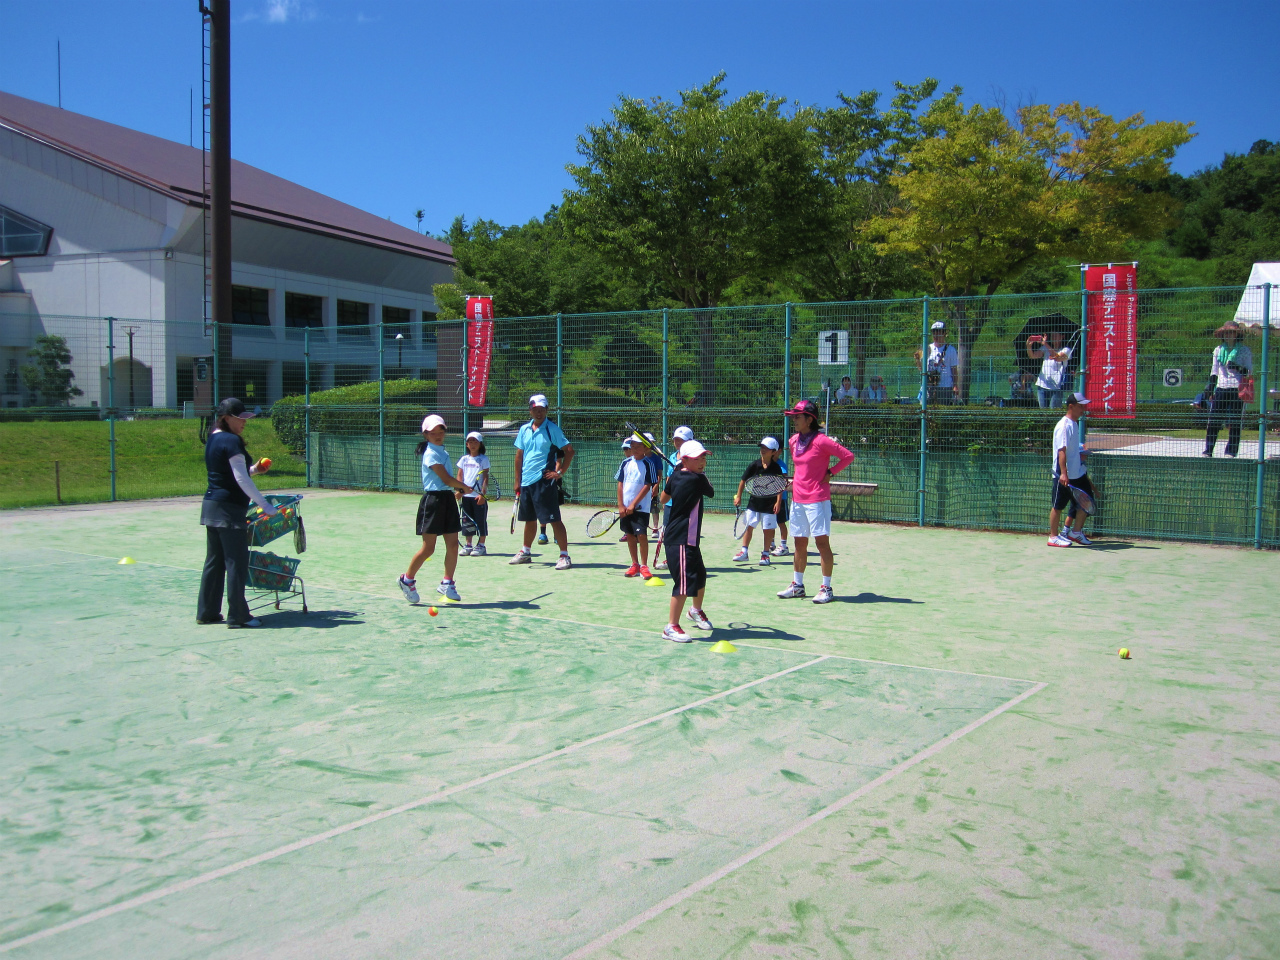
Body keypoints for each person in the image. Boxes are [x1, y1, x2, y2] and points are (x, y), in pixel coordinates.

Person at [197, 397, 278, 629]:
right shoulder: (231, 440)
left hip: (211, 506)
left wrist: (255, 469)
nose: (244, 422)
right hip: (229, 510)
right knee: (236, 563)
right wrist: (265, 505)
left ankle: (207, 613)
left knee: (214, 562)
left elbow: (234, 473)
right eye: (239, 418)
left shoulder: (213, 438)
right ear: (225, 418)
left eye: (245, 418)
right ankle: (238, 616)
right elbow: (240, 479)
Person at [777, 400, 855, 603]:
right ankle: (798, 586)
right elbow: (802, 468)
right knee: (799, 543)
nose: (794, 420)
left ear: (809, 419)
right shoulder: (793, 441)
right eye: (793, 417)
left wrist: (831, 472)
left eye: (798, 417)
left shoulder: (822, 441)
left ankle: (826, 588)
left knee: (821, 543)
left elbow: (848, 456)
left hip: (817, 499)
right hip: (798, 499)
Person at [399, 415, 472, 602]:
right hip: (433, 502)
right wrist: (463, 486)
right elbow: (446, 479)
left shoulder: (442, 451)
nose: (438, 435)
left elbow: (447, 482)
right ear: (426, 435)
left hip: (447, 499)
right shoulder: (430, 454)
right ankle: (407, 580)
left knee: (453, 545)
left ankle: (447, 583)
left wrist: (459, 488)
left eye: (441, 431)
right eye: (433, 433)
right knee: (428, 548)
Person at [658, 440, 715, 642]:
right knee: (683, 584)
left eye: (703, 457)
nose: (702, 462)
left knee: (700, 575)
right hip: (680, 538)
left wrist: (677, 474)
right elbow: (711, 491)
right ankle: (671, 627)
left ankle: (695, 610)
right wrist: (690, 474)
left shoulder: (676, 475)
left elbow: (663, 499)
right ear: (684, 460)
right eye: (696, 458)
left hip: (687, 538)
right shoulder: (698, 479)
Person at [510, 394, 574, 569]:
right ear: (530, 410)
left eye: (542, 409)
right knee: (529, 519)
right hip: (526, 482)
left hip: (544, 482)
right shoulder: (524, 429)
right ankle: (525, 552)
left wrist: (559, 472)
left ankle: (564, 555)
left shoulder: (552, 429)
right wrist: (517, 480)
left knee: (554, 519)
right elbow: (519, 455)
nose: (538, 413)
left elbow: (569, 451)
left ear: (546, 410)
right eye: (535, 409)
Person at [1047, 392, 1095, 547]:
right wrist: (1063, 473)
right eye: (1080, 406)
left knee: (1087, 500)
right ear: (1071, 407)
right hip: (1063, 475)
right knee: (1058, 506)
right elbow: (1062, 451)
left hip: (1077, 474)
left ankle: (1076, 532)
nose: (1083, 409)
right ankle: (1053, 537)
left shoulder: (1074, 424)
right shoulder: (1064, 426)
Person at [1203, 320, 1253, 458]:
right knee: (1214, 420)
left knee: (1235, 422)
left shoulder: (1244, 350)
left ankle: (1231, 451)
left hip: (1237, 388)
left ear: (1237, 335)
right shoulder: (1218, 350)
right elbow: (1214, 370)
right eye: (1226, 333)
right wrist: (1210, 387)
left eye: (1231, 332)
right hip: (1221, 387)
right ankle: (1208, 450)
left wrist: (1237, 367)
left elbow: (1249, 372)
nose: (1228, 335)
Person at [733, 437, 785, 565]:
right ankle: (744, 552)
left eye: (766, 448)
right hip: (754, 503)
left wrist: (778, 502)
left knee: (768, 530)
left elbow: (780, 486)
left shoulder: (776, 468)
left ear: (773, 452)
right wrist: (738, 496)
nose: (763, 450)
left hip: (770, 505)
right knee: (748, 527)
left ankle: (765, 555)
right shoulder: (754, 465)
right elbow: (743, 481)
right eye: (762, 447)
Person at [615, 439, 659, 579]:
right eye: (632, 446)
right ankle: (634, 564)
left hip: (641, 508)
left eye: (638, 446)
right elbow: (620, 484)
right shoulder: (625, 463)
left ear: (646, 448)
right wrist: (621, 505)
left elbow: (647, 486)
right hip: (625, 508)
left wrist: (633, 504)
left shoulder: (649, 464)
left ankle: (644, 566)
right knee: (630, 535)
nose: (634, 449)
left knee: (641, 535)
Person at [654, 425, 694, 572]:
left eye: (681, 440)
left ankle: (686, 560)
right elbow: (669, 479)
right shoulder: (672, 457)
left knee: (685, 533)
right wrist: (667, 498)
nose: (678, 442)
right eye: (676, 439)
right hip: (671, 503)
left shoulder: (693, 458)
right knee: (668, 533)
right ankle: (670, 559)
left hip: (685, 503)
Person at [456, 431, 491, 556]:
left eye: (475, 441)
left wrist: (482, 494)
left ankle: (481, 545)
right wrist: (460, 491)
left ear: (480, 444)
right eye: (470, 441)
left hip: (478, 497)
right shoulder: (464, 459)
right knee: (467, 522)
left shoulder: (483, 459)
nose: (472, 444)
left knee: (480, 521)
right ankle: (468, 545)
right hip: (466, 497)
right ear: (467, 444)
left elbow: (485, 477)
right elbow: (460, 475)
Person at [918, 321, 959, 404]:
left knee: (943, 409)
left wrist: (955, 385)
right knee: (927, 409)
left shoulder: (951, 350)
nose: (935, 335)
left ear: (944, 333)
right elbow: (921, 369)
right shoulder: (927, 348)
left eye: (938, 332)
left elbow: (954, 370)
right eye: (934, 332)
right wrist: (917, 360)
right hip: (929, 386)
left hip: (945, 386)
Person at [1027, 331, 1072, 408]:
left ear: (1062, 337)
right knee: (1043, 411)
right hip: (1042, 384)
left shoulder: (1066, 350)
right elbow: (1033, 356)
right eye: (1052, 336)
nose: (1053, 338)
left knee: (1053, 410)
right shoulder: (1045, 348)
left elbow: (1057, 357)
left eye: (1055, 335)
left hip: (1056, 386)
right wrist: (1029, 346)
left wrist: (1045, 344)